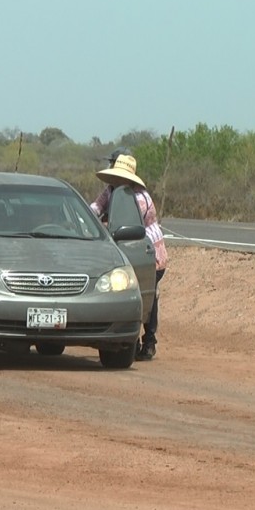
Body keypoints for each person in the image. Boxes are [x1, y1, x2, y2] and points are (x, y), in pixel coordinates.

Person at [90, 151, 168, 361]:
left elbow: (125, 221)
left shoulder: (139, 198)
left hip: (149, 254)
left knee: (145, 296)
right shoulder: (111, 191)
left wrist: (103, 223)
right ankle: (132, 340)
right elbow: (95, 209)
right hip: (125, 251)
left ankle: (148, 340)